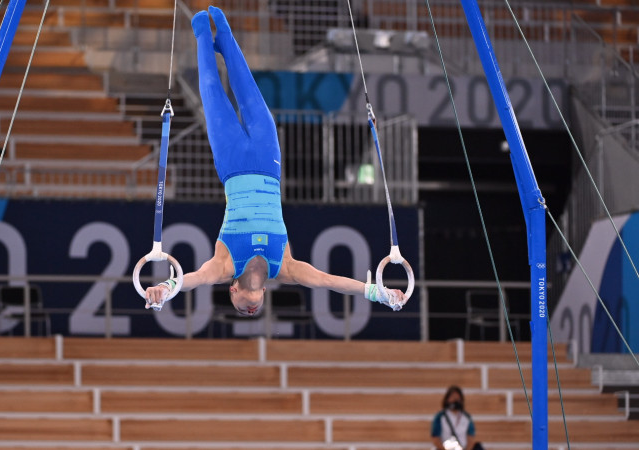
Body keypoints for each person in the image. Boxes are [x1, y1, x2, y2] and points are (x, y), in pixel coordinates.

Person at [143, 6, 406, 315]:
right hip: (269, 161)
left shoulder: (225, 266)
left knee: (213, 93)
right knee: (250, 93)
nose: (249, 310)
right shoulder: (285, 267)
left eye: (240, 308)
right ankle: (225, 33)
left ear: (233, 290)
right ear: (265, 291)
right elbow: (328, 281)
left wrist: (165, 289)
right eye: (254, 309)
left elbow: (193, 279)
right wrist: (378, 293)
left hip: (232, 164)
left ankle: (202, 31)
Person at [431, 386, 480, 450]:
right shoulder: (440, 417)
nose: (455, 400)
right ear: (447, 399)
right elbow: (436, 438)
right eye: (453, 397)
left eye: (457, 398)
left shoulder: (467, 418)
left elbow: (470, 438)